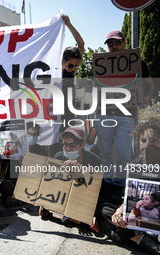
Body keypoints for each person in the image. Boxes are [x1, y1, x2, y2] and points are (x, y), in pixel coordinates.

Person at [95, 30, 154, 211]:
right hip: (103, 113)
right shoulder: (102, 64)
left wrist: (145, 99)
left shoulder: (138, 63)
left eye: (117, 43)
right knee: (105, 152)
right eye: (110, 44)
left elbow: (149, 85)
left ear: (124, 43)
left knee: (123, 152)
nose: (114, 47)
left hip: (126, 115)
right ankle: (106, 183)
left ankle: (119, 185)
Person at [101, 117, 160, 254]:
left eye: (152, 142)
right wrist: (120, 210)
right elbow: (129, 195)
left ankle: (137, 237)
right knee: (107, 210)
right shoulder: (135, 165)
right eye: (143, 141)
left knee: (119, 233)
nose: (146, 146)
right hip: (139, 217)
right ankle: (144, 238)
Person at [40, 126, 102, 232]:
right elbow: (52, 183)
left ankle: (69, 217)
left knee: (100, 205)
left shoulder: (93, 160)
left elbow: (96, 188)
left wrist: (79, 173)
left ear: (82, 145)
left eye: (72, 145)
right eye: (65, 144)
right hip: (65, 195)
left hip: (84, 195)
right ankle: (83, 221)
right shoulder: (59, 157)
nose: (68, 148)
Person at [60, 14, 85, 133]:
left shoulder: (71, 72)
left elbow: (81, 45)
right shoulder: (52, 69)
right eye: (70, 66)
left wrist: (69, 25)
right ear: (62, 60)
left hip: (67, 113)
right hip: (51, 111)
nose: (74, 69)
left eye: (77, 66)